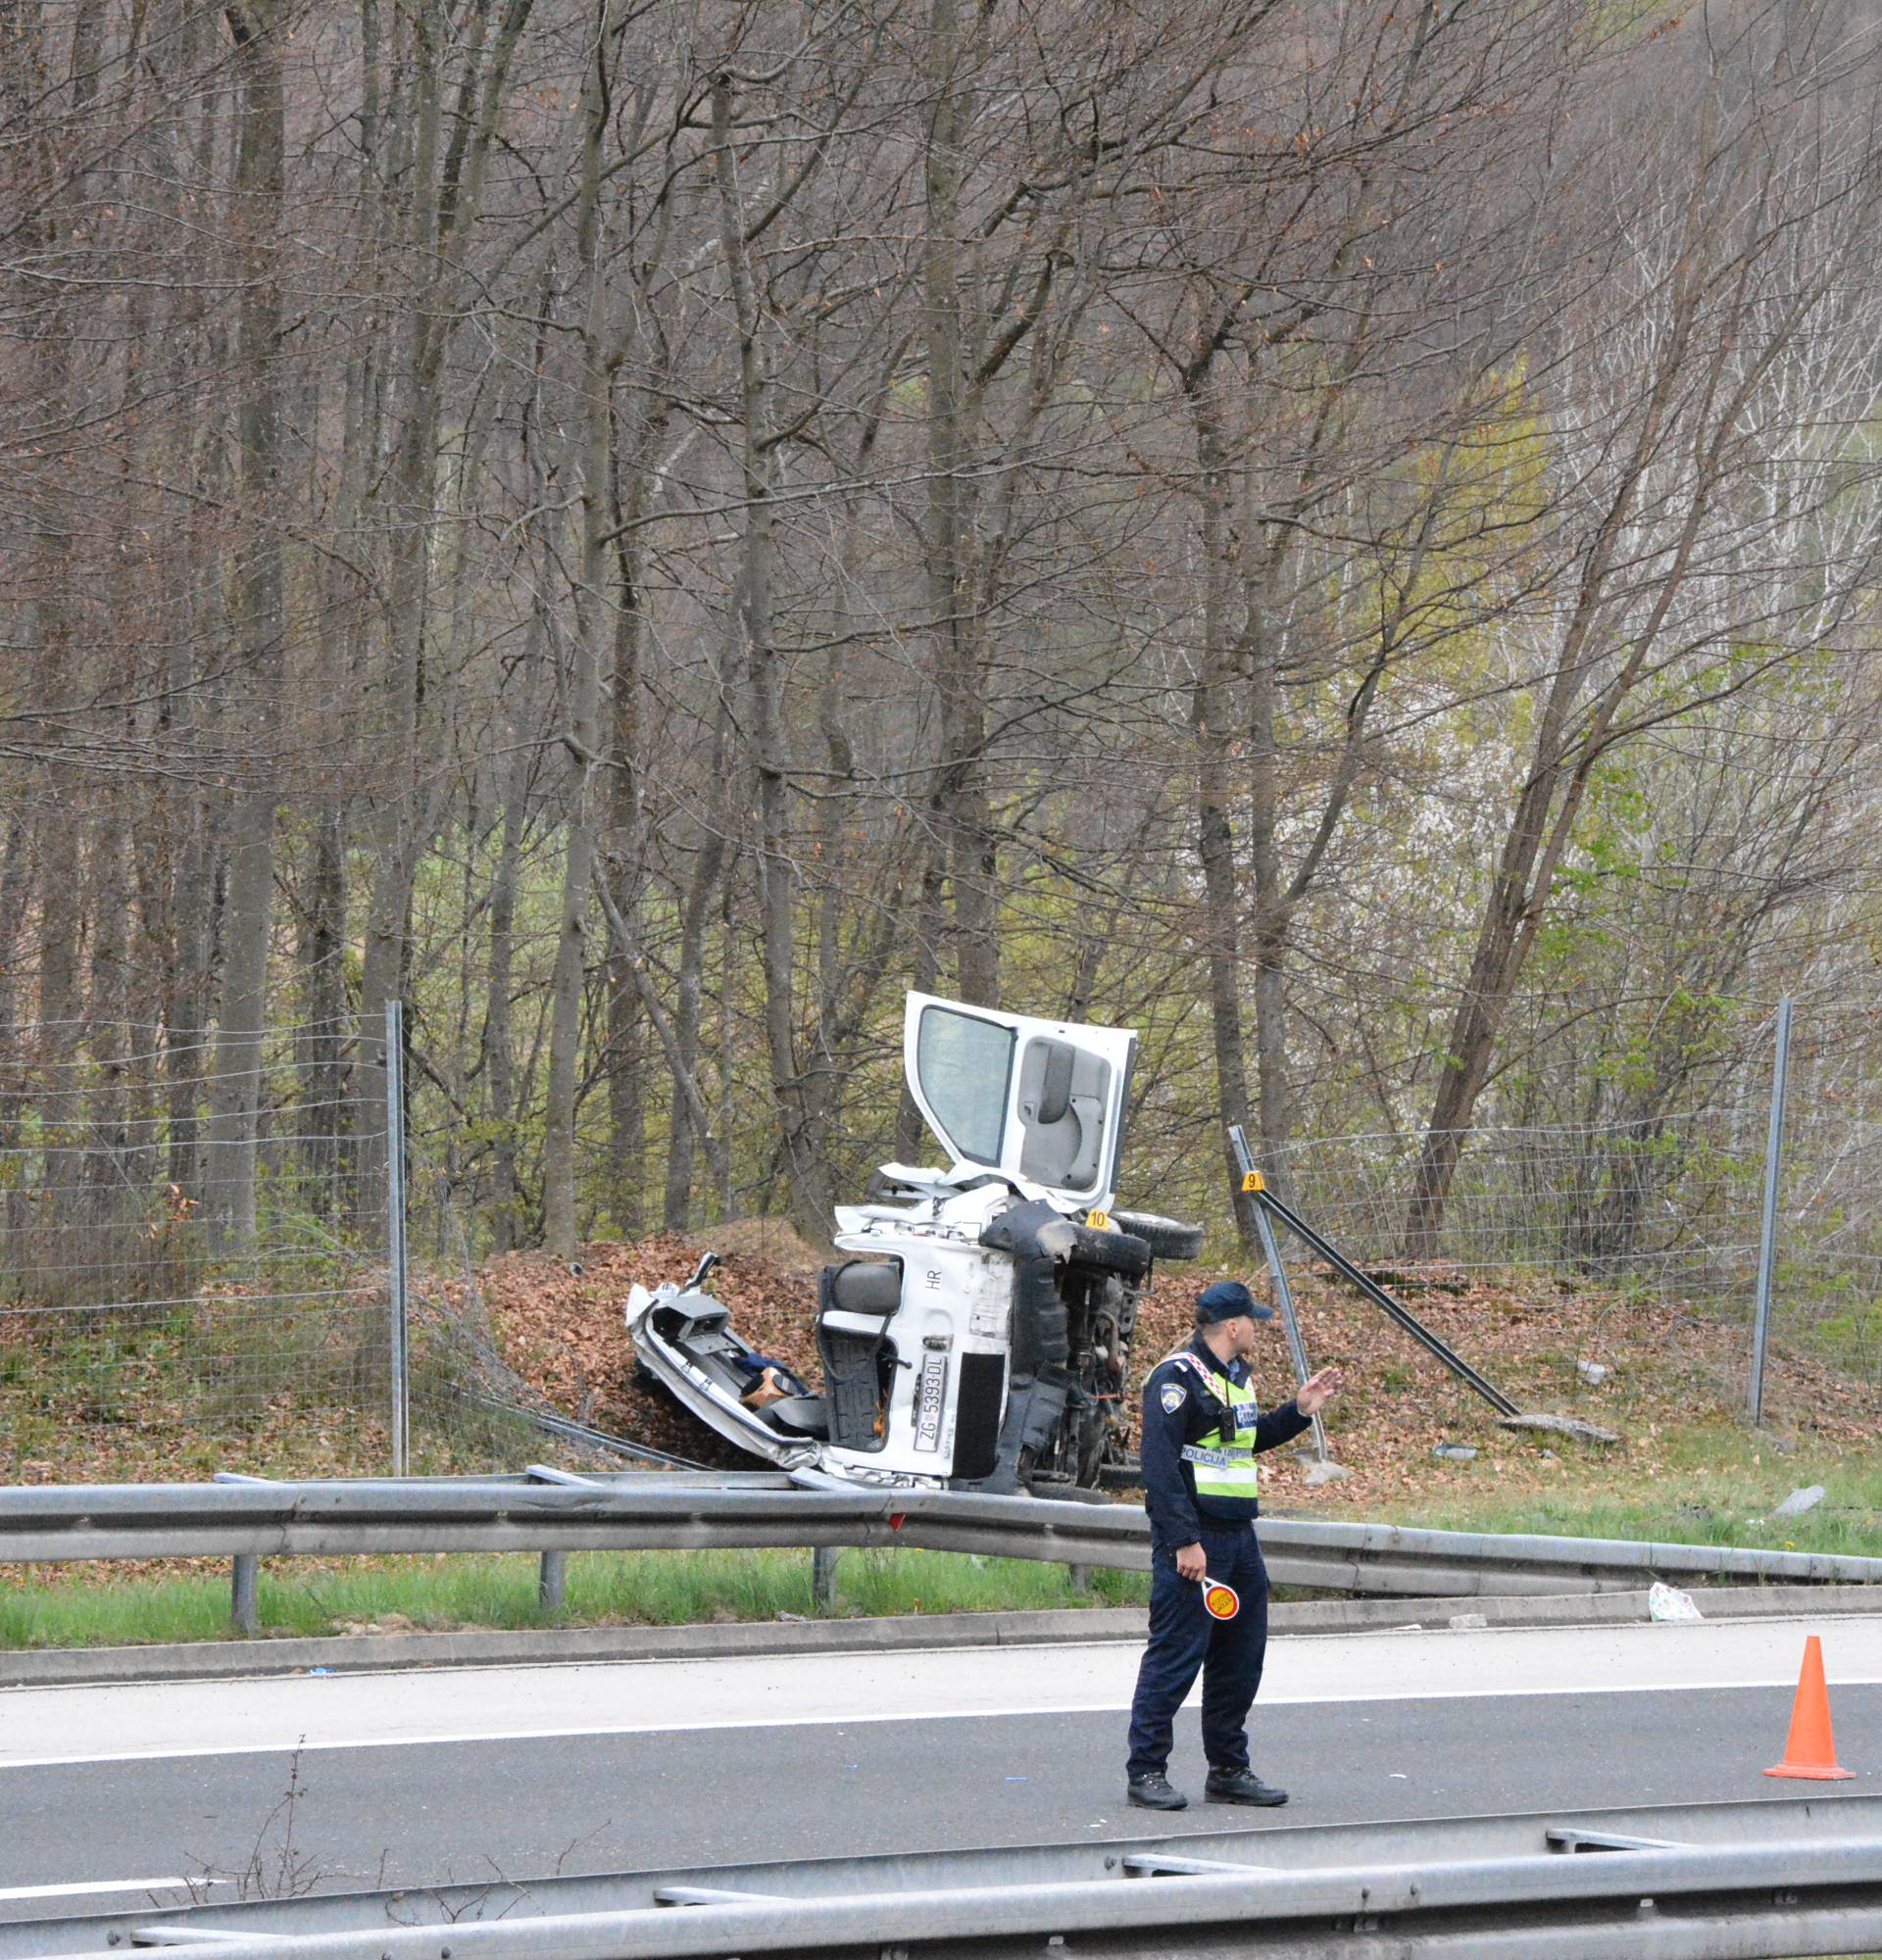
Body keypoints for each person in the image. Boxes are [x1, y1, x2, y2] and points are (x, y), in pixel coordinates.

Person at [1124, 1278, 1343, 1811]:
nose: (1257, 1329)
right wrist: (1183, 1541)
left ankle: (1227, 1769)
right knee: (1175, 1657)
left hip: (1239, 1540)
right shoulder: (1175, 1378)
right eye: (1253, 1321)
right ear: (1232, 1326)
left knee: (1240, 1661)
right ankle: (1146, 1771)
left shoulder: (1236, 1377)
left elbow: (1245, 1441)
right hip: (1195, 1545)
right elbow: (1159, 1469)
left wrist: (1298, 1410)